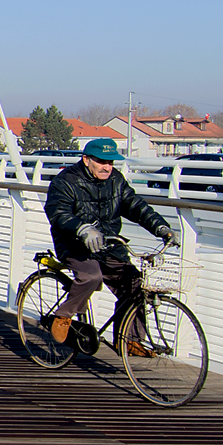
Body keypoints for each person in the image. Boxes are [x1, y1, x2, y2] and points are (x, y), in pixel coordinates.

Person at [42, 138, 177, 348]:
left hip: (109, 244)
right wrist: (82, 229)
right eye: (102, 161)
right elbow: (57, 213)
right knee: (91, 276)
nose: (107, 167)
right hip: (74, 244)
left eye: (111, 162)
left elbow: (136, 206)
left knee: (133, 284)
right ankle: (64, 316)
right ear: (86, 160)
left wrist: (161, 227)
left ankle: (130, 341)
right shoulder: (65, 181)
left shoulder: (116, 180)